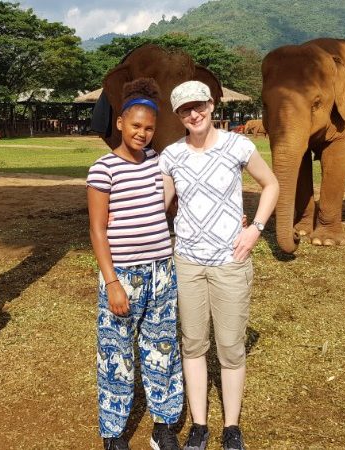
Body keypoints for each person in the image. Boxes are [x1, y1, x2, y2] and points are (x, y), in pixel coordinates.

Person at [159, 81, 279, 450]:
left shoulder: (238, 146)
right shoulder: (171, 155)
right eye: (184, 110)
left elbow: (271, 183)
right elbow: (160, 205)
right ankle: (199, 425)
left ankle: (231, 426)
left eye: (198, 106)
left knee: (230, 346)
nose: (193, 115)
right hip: (188, 263)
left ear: (212, 105)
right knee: (193, 344)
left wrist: (256, 229)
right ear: (178, 115)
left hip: (231, 261)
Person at [86, 78, 183, 450]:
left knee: (161, 349)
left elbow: (172, 207)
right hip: (123, 275)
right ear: (121, 124)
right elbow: (97, 229)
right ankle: (113, 433)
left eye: (149, 128)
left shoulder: (157, 163)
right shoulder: (103, 168)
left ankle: (163, 425)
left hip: (161, 270)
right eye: (136, 126)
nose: (142, 133)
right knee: (116, 353)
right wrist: (112, 283)